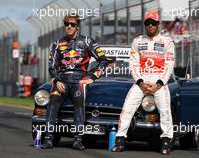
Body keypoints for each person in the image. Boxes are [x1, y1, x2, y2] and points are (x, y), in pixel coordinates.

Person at [42, 13, 109, 150]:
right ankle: (48, 138)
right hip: (62, 80)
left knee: (79, 102)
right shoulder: (57, 44)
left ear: (77, 27)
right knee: (53, 100)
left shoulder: (87, 42)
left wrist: (93, 77)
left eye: (72, 24)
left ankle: (78, 139)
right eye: (67, 24)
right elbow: (52, 66)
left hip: (80, 80)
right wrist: (56, 80)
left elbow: (103, 60)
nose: (69, 27)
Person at [112, 10, 175, 155]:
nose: (150, 26)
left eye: (153, 23)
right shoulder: (137, 41)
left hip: (159, 83)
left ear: (158, 24)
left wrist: (158, 84)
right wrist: (140, 83)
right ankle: (120, 139)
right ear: (145, 25)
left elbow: (169, 66)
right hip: (141, 81)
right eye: (148, 23)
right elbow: (133, 65)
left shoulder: (167, 42)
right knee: (127, 108)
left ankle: (166, 141)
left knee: (165, 111)